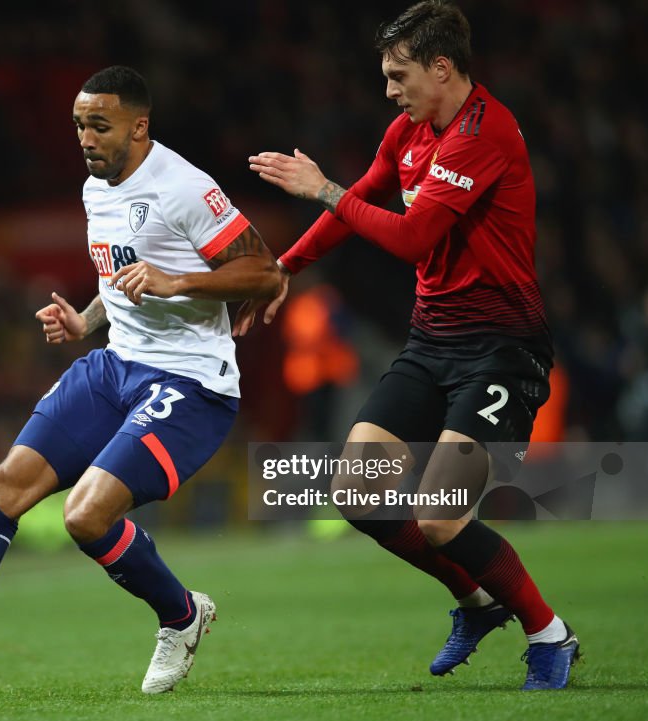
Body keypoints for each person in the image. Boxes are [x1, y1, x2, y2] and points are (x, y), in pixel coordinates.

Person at [0, 65, 281, 693]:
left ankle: (181, 616)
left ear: (140, 126)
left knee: (85, 517)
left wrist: (180, 280)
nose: (86, 138)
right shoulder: (94, 187)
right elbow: (121, 277)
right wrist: (86, 319)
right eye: (79, 125)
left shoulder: (184, 187)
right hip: (113, 366)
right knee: (3, 486)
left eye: (99, 126)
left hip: (189, 383)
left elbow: (263, 272)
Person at [239, 0, 579, 691]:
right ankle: (477, 601)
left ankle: (551, 634)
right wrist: (284, 268)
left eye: (399, 75)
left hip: (501, 350)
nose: (390, 90)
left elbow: (409, 236)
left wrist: (322, 188)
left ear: (442, 67)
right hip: (432, 343)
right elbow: (365, 195)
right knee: (357, 492)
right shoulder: (407, 132)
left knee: (441, 515)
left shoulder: (485, 133)